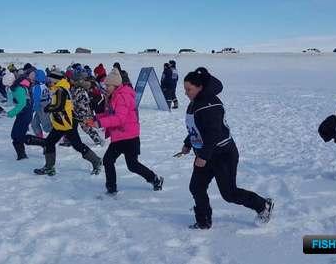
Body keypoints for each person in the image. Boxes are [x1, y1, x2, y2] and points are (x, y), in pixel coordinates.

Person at [177, 67, 273, 229]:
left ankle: (263, 205)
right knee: (196, 187)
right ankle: (204, 221)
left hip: (223, 155)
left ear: (200, 87)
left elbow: (213, 133)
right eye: (185, 89)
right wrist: (188, 143)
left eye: (189, 89)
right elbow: (198, 128)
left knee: (229, 194)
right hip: (206, 153)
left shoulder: (209, 105)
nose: (186, 93)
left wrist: (204, 156)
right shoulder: (196, 102)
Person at [85, 68, 163, 195]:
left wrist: (99, 123)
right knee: (108, 160)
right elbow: (109, 113)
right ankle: (111, 188)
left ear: (115, 85)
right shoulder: (113, 96)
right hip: (119, 136)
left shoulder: (123, 96)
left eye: (108, 85)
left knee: (132, 165)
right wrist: (95, 118)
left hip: (129, 137)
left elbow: (119, 118)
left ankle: (154, 179)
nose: (106, 87)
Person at [33, 70, 102, 176]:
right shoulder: (58, 88)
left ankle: (96, 161)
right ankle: (49, 167)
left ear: (55, 80)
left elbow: (59, 106)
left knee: (77, 145)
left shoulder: (61, 90)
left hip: (67, 123)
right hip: (60, 122)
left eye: (50, 79)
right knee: (49, 143)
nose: (48, 81)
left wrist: (47, 108)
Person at [3, 72, 33, 160]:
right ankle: (21, 155)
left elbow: (22, 104)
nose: (6, 88)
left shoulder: (18, 89)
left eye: (6, 85)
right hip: (23, 113)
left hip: (25, 114)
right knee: (15, 135)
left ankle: (41, 143)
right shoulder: (16, 87)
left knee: (18, 136)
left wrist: (10, 113)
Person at [72, 71, 104, 146]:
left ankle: (98, 140)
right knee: (77, 126)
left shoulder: (78, 90)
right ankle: (69, 139)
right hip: (83, 111)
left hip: (82, 112)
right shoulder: (80, 89)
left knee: (86, 127)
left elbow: (75, 100)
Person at [30, 69, 52, 138]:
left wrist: (33, 109)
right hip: (45, 106)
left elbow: (36, 99)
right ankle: (39, 137)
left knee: (46, 127)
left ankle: (61, 134)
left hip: (41, 107)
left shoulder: (37, 87)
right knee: (34, 123)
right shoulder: (44, 85)